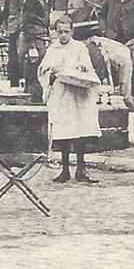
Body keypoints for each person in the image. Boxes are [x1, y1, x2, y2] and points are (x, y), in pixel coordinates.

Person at [39, 15, 103, 184]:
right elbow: (43, 70)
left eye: (66, 32)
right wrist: (51, 74)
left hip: (79, 95)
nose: (63, 36)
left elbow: (87, 68)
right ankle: (65, 169)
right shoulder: (53, 49)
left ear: (72, 31)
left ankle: (81, 169)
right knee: (64, 132)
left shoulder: (80, 48)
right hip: (62, 95)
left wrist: (81, 69)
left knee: (80, 131)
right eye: (60, 32)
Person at [20, 0, 54, 105]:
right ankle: (32, 99)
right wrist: (32, 46)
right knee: (34, 69)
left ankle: (36, 97)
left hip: (41, 37)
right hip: (34, 39)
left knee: (39, 69)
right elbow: (27, 23)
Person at [1, 0, 27, 87]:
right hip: (11, 30)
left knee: (21, 57)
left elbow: (25, 12)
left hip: (22, 30)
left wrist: (21, 27)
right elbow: (5, 12)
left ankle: (23, 84)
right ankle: (14, 84)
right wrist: (4, 26)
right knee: (12, 58)